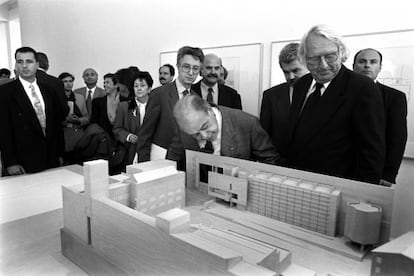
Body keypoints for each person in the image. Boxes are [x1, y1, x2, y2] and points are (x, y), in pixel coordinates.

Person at [286, 25, 385, 185]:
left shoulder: (362, 88)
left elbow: (371, 154)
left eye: (330, 56)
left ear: (341, 54)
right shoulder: (300, 85)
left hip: (337, 187)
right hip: (297, 183)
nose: (323, 65)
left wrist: (360, 196)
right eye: (314, 58)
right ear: (304, 59)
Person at [0, 47, 66, 175]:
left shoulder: (49, 90)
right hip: (23, 161)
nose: (24, 66)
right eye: (20, 62)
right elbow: (3, 130)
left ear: (37, 65)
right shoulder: (5, 92)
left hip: (51, 158)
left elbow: (56, 125)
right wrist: (11, 162)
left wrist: (60, 153)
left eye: (29, 61)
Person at [167, 95, 279, 167]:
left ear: (209, 110)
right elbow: (171, 164)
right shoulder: (184, 130)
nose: (204, 136)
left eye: (205, 126)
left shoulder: (247, 123)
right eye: (196, 134)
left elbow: (270, 160)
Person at [137, 46, 204, 162]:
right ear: (178, 66)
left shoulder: (196, 99)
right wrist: (144, 166)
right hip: (160, 158)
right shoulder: (159, 94)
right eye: (186, 67)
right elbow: (145, 134)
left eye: (196, 68)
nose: (191, 73)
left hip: (186, 162)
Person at [353, 48, 407, 185]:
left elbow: (397, 138)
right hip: (336, 169)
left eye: (373, 62)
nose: (367, 65)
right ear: (353, 67)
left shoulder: (394, 98)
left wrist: (389, 174)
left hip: (372, 173)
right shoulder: (338, 94)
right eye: (362, 61)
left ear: (380, 67)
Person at [260, 43, 309, 158]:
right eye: (286, 72)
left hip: (314, 167)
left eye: (296, 70)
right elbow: (264, 136)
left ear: (308, 65)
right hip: (280, 165)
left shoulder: (322, 92)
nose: (291, 76)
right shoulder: (270, 96)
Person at [113, 71, 153, 168]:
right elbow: (117, 129)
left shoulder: (155, 106)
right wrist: (128, 136)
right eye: (136, 86)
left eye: (142, 85)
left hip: (150, 150)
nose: (139, 88)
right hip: (131, 151)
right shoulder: (124, 106)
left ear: (149, 89)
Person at [59, 72, 89, 164]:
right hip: (64, 134)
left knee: (79, 162)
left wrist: (79, 120)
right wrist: (66, 119)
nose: (68, 84)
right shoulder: (57, 97)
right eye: (65, 81)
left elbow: (86, 117)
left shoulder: (79, 97)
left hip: (78, 133)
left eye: (71, 81)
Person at [91, 73, 128, 140]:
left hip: (122, 140)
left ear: (116, 85)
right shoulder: (97, 102)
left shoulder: (126, 101)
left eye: (107, 82)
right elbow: (94, 123)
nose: (104, 85)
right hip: (103, 140)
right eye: (104, 83)